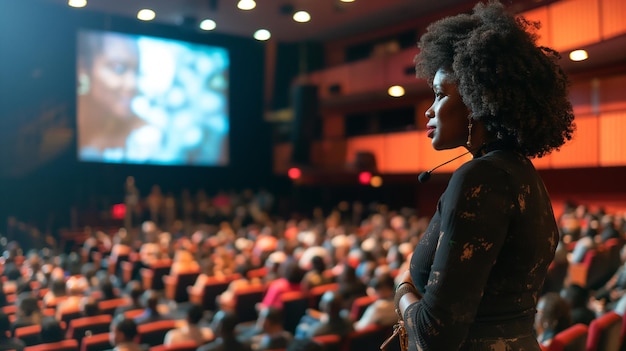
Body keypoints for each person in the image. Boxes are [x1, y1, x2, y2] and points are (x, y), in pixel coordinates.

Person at [394, 1, 575, 350]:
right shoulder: (522, 174)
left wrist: (402, 286)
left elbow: (436, 336)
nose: (429, 109)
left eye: (439, 94)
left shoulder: (479, 177)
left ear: (476, 100)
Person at [77, 30, 161, 163]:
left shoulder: (144, 136)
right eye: (118, 69)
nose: (133, 84)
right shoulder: (67, 125)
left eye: (137, 71)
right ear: (83, 69)